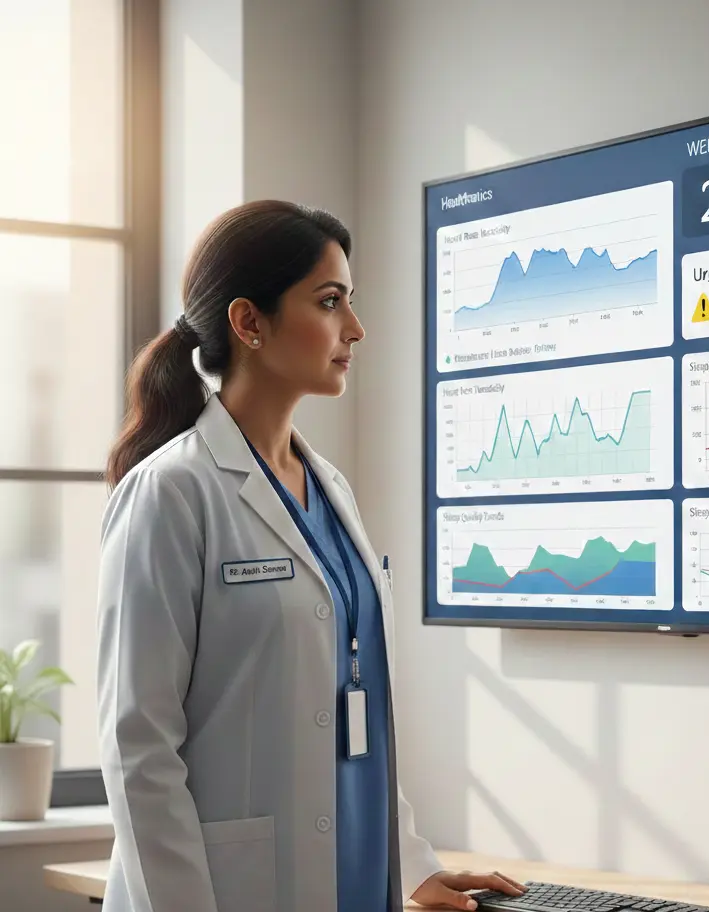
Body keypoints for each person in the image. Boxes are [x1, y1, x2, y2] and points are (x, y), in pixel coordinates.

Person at [96, 200, 526, 912]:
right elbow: (137, 749)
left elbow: (355, 713)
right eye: (330, 303)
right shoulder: (170, 494)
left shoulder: (331, 489)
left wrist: (410, 863)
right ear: (248, 323)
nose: (355, 329)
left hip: (358, 879)